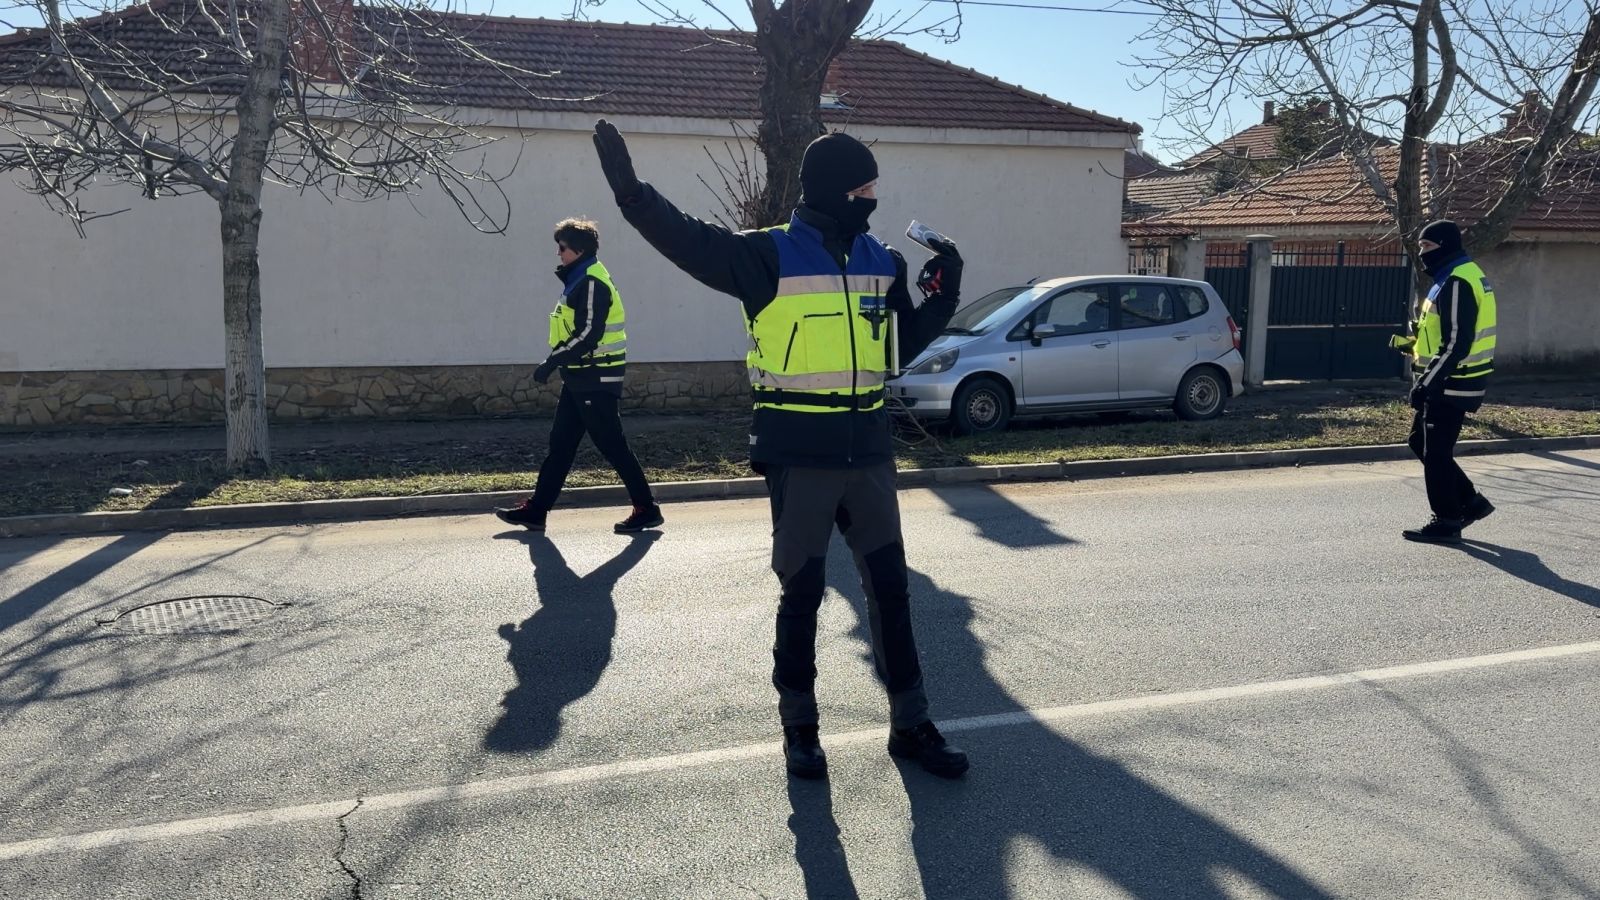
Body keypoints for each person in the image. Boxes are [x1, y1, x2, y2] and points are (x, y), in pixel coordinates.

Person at [591, 119, 969, 779]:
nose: (873, 199)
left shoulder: (884, 261)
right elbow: (689, 240)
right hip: (799, 453)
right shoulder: (766, 254)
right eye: (863, 189)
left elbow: (896, 352)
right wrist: (632, 195)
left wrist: (944, 297)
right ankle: (800, 729)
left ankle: (912, 725)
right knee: (803, 595)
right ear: (833, 190)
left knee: (891, 592)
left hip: (869, 453)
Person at [495, 218, 664, 535]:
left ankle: (647, 509)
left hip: (596, 378)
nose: (558, 253)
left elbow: (588, 335)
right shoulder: (579, 279)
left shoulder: (590, 282)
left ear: (579, 250)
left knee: (612, 445)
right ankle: (537, 511)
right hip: (580, 379)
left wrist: (551, 361)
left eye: (562, 248)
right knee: (560, 446)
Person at [1398, 219, 1498, 544]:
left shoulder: (1456, 281)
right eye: (1420, 246)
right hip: (1448, 379)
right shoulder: (1453, 276)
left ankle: (1447, 520)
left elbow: (1457, 343)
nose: (1421, 252)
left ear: (1445, 245)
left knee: (1436, 453)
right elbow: (1442, 333)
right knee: (1420, 442)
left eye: (1427, 246)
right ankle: (1471, 502)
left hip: (1451, 383)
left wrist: (1426, 383)